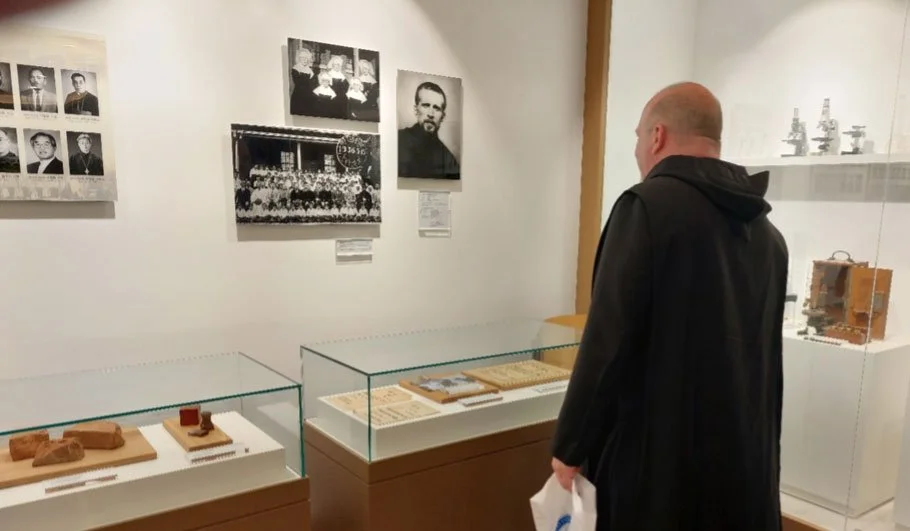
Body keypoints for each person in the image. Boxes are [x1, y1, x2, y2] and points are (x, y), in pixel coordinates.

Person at [550, 82, 788, 531]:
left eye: (638, 137)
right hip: (742, 468)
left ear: (657, 136)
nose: (637, 151)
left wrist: (571, 445)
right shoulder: (767, 234)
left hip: (660, 472)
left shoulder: (646, 209)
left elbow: (608, 339)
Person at [398, 81, 460, 179]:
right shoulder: (398, 140)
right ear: (416, 110)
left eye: (437, 108)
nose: (431, 114)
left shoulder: (449, 160)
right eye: (426, 105)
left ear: (442, 117)